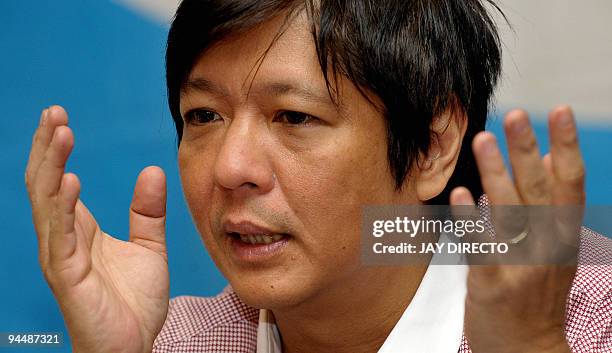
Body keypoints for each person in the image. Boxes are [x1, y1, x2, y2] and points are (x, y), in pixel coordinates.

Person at [25, 0, 611, 352]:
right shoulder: (177, 340)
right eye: (204, 115)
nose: (231, 169)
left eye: (294, 117)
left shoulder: (589, 323)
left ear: (433, 146)